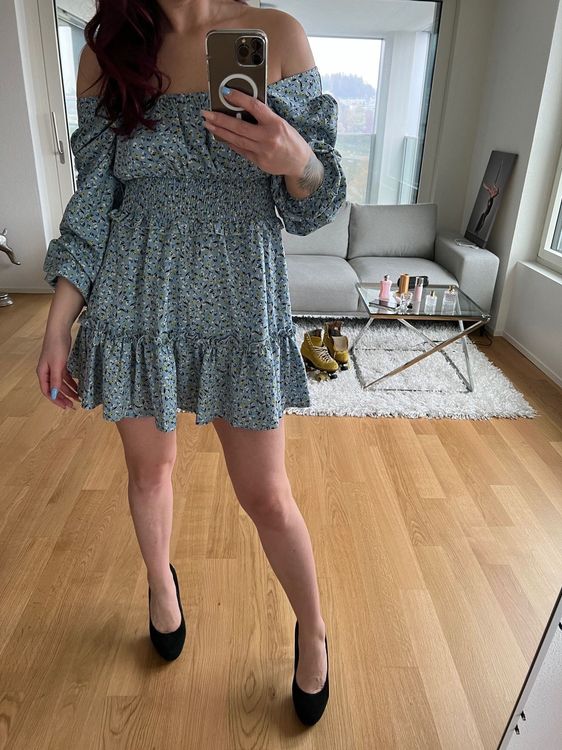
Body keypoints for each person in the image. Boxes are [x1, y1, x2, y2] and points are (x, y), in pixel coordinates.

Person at [36, 0, 346, 726]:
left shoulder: (277, 36)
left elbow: (316, 204)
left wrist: (296, 160)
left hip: (240, 296)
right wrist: (57, 324)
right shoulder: (112, 50)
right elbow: (94, 201)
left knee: (266, 495)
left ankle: (312, 629)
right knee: (150, 471)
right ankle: (160, 584)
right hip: (136, 295)